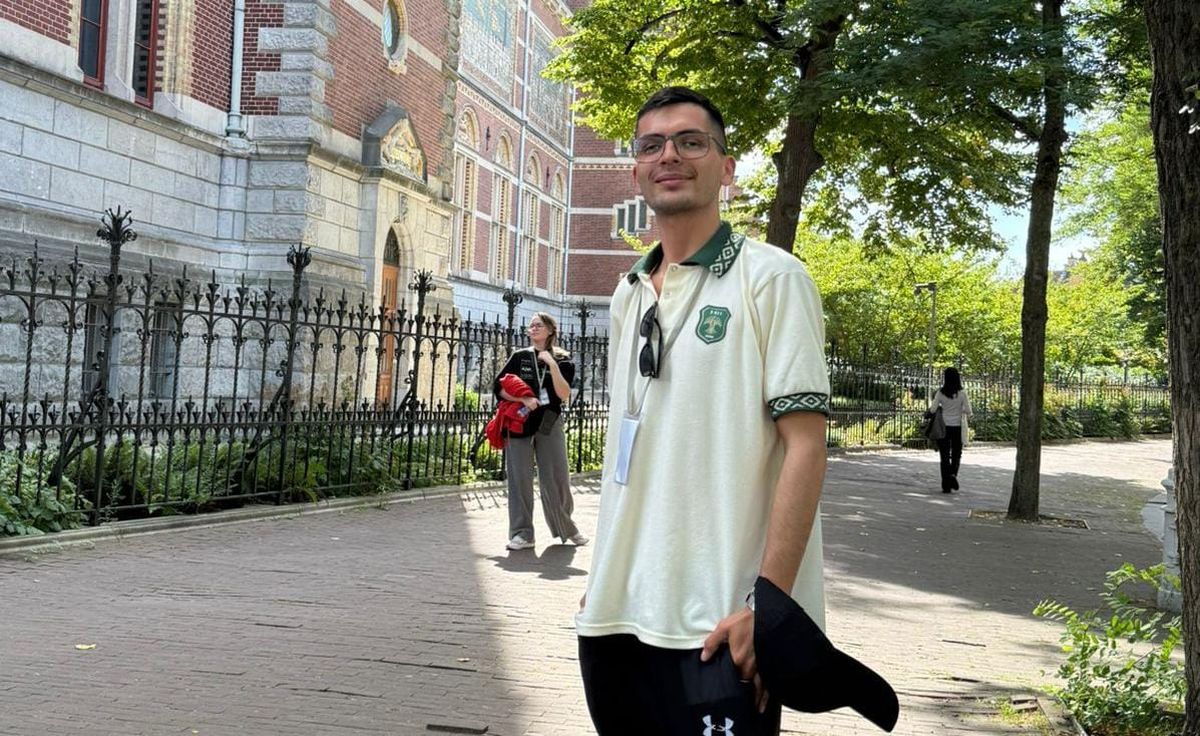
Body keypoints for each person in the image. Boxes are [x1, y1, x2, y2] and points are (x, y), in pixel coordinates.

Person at [576, 87, 831, 736]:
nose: (671, 155)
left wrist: (767, 610)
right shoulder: (627, 294)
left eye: (692, 141)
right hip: (613, 622)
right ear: (635, 170)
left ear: (727, 167)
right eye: (652, 145)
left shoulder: (772, 280)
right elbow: (627, 456)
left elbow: (805, 445)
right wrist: (602, 575)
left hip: (721, 629)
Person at [493, 312, 589, 551]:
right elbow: (499, 388)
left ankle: (567, 528)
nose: (533, 329)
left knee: (556, 476)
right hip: (520, 422)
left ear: (550, 330)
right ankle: (522, 534)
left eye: (538, 325)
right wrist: (522, 399)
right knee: (519, 478)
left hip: (549, 421)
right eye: (531, 326)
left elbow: (564, 394)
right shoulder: (519, 357)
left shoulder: (564, 360)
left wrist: (552, 364)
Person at [930, 367, 972, 493]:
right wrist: (961, 410)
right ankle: (953, 474)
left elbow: (932, 409)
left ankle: (946, 484)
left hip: (943, 427)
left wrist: (943, 408)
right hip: (957, 428)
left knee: (944, 456)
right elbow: (969, 411)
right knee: (956, 454)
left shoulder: (941, 393)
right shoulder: (962, 393)